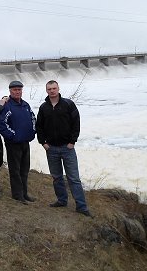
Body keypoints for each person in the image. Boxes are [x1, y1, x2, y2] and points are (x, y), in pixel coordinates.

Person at [36, 80, 92, 217]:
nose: (52, 91)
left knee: (74, 178)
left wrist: (72, 141)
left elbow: (76, 123)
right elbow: (39, 127)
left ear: (58, 88)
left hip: (67, 148)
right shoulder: (43, 108)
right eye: (49, 89)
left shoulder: (68, 104)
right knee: (56, 177)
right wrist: (43, 143)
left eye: (54, 88)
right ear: (46, 91)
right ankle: (62, 200)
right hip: (51, 149)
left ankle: (81, 206)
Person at [0, 80, 36, 204]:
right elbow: (1, 124)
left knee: (24, 169)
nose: (17, 92)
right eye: (15, 90)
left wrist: (32, 133)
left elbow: (33, 119)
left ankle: (24, 193)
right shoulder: (7, 106)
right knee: (15, 170)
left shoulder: (25, 105)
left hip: (25, 142)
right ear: (10, 91)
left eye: (19, 89)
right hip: (13, 143)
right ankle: (17, 195)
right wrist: (12, 136)